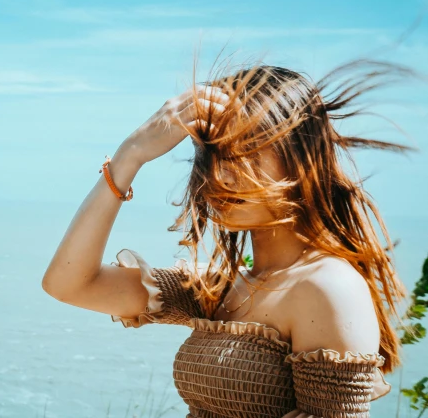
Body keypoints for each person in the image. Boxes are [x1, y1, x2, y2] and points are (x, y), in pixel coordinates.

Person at [41, 62, 413, 417]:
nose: (220, 175)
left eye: (243, 151)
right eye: (211, 154)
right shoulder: (223, 286)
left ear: (300, 158)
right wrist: (130, 155)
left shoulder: (327, 287)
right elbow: (70, 284)